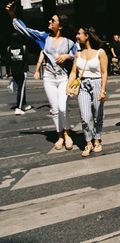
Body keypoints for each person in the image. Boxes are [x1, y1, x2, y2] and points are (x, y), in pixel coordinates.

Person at [6, 2, 77, 150]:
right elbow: (26, 30)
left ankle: (67, 132)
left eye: (53, 20)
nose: (49, 22)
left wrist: (68, 56)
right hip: (49, 79)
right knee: (55, 109)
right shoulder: (44, 37)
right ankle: (60, 136)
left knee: (63, 107)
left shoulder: (69, 42)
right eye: (50, 20)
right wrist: (12, 15)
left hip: (64, 78)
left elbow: (79, 53)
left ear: (60, 26)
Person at [66, 27, 108, 157]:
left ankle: (97, 139)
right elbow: (74, 71)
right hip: (83, 85)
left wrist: (103, 90)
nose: (77, 36)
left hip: (96, 83)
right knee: (85, 116)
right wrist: (68, 86)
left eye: (79, 34)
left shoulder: (100, 52)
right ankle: (88, 141)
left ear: (87, 35)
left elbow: (104, 72)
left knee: (97, 115)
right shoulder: (78, 53)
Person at [7, 32, 32, 115]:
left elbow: (7, 61)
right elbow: (27, 59)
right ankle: (19, 107)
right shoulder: (23, 47)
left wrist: (8, 73)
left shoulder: (9, 48)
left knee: (21, 88)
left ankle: (24, 104)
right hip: (22, 71)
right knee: (21, 90)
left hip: (14, 72)